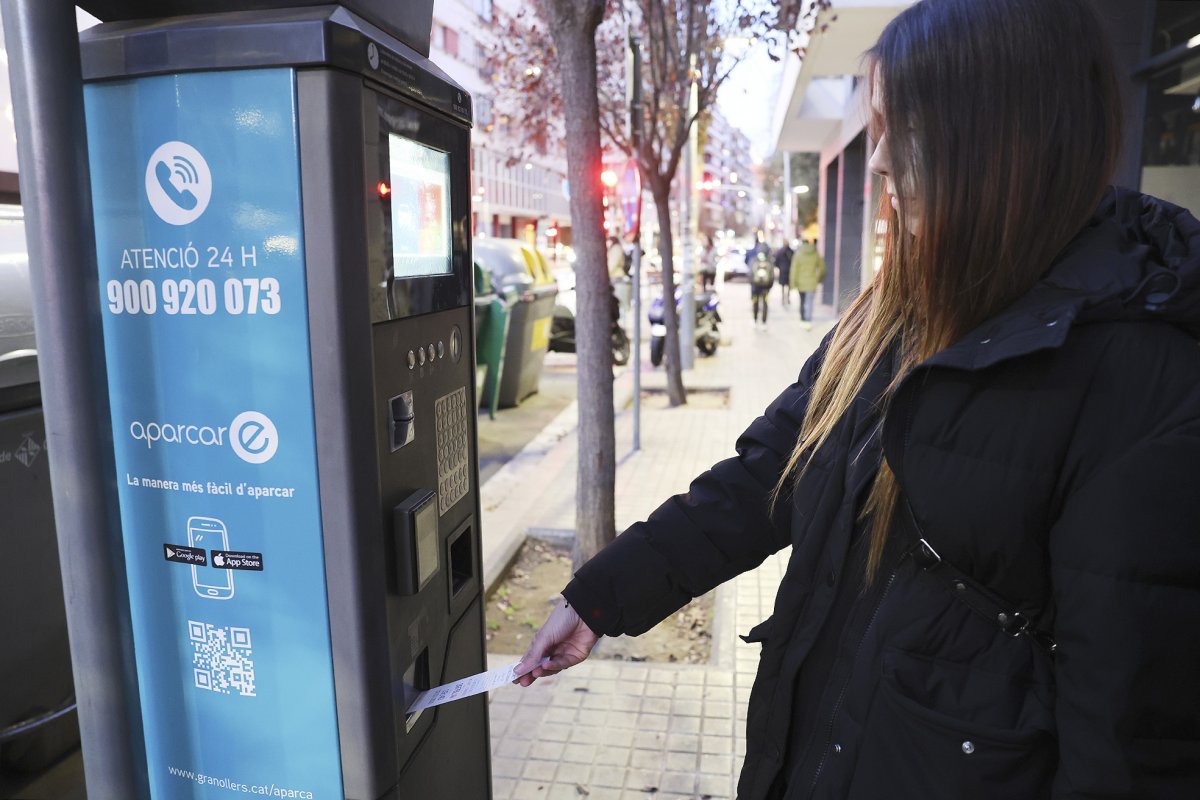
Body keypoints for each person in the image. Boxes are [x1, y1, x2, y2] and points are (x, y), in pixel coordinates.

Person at [515, 0, 1200, 797]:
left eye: (898, 131)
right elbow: (767, 476)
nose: (876, 162)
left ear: (994, 138)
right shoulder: (898, 307)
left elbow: (1128, 744)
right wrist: (600, 596)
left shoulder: (1144, 380)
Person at [789, 237, 826, 330]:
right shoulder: (815, 253)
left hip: (801, 283)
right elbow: (822, 268)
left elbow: (794, 270)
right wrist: (819, 279)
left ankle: (803, 320)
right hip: (812, 282)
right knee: (809, 302)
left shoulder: (798, 254)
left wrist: (793, 283)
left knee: (802, 301)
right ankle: (808, 321)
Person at [749, 251, 774, 329]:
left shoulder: (754, 261)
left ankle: (755, 320)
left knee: (755, 303)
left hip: (755, 288)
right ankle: (764, 322)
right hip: (765, 288)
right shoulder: (769, 261)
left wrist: (752, 285)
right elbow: (772, 276)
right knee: (765, 304)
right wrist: (769, 287)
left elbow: (750, 275)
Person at [774, 240, 795, 307]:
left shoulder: (780, 251)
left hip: (783, 270)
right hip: (789, 270)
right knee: (788, 285)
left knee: (783, 286)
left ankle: (783, 298)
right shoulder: (791, 251)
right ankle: (787, 297)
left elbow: (776, 260)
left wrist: (779, 266)